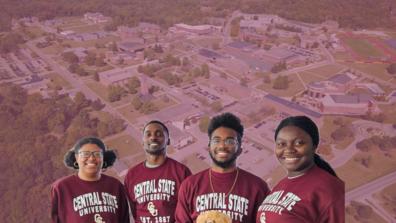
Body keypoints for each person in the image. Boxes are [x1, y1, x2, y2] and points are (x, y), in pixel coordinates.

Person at [176, 112, 270, 223]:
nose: (222, 146)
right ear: (209, 147)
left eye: (230, 141)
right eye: (216, 140)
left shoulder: (258, 187)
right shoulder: (190, 185)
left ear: (240, 149)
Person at [256, 116, 345, 223]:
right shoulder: (280, 186)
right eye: (281, 144)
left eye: (298, 143)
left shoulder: (329, 187)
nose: (288, 149)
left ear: (314, 145)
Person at [124, 120, 192, 223]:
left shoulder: (182, 172)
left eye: (159, 134)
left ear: (168, 140)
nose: (153, 137)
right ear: (143, 141)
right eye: (148, 134)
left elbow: (188, 211)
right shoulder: (131, 175)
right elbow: (134, 211)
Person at [51, 137, 130, 223]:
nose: (92, 158)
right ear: (76, 157)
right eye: (85, 154)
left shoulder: (116, 186)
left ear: (103, 158)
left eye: (97, 154)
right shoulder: (61, 188)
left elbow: (124, 219)